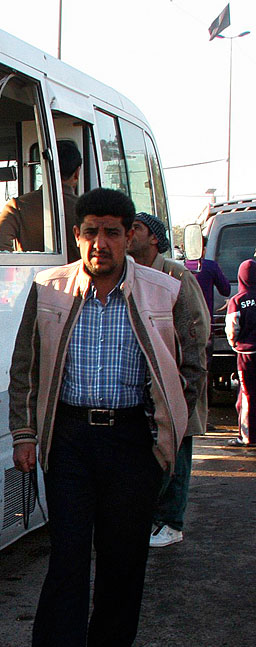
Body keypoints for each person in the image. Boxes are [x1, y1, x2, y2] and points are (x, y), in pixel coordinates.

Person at [9, 188, 201, 647]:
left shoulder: (165, 291)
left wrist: (171, 432)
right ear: (77, 236)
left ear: (129, 236)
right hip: (68, 441)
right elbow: (25, 365)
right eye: (91, 231)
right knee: (68, 560)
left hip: (132, 444)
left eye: (112, 232)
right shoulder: (49, 290)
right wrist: (25, 436)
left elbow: (191, 364)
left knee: (122, 560)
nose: (101, 243)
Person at [127, 212, 211, 548]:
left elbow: (197, 330)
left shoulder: (176, 275)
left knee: (178, 450)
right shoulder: (128, 273)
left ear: (155, 239)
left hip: (177, 378)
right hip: (143, 385)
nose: (130, 233)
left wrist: (184, 379)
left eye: (138, 228)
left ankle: (172, 522)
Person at [0, 138, 82, 261]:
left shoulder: (17, 206)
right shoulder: (88, 210)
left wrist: (23, 269)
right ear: (77, 172)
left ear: (43, 169)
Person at [225, 258, 256, 447]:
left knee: (247, 395)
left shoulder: (237, 300)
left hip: (247, 354)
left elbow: (232, 329)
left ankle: (247, 437)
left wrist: (235, 344)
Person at [184, 250, 230, 319]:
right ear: (204, 249)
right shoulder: (210, 266)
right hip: (205, 320)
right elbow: (226, 290)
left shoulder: (178, 267)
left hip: (183, 321)